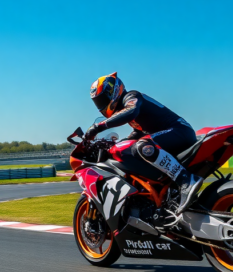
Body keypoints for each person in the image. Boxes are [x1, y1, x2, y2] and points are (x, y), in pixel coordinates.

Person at [85, 72, 202, 215]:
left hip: (179, 130)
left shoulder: (131, 97)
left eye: (102, 99)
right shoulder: (128, 112)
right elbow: (136, 133)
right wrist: (114, 145)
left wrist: (98, 127)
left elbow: (132, 111)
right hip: (171, 135)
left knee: (143, 145)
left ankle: (186, 180)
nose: (101, 105)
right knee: (133, 147)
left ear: (114, 91)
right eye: (98, 102)